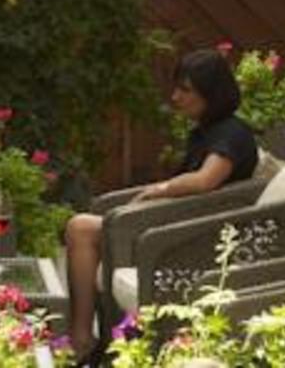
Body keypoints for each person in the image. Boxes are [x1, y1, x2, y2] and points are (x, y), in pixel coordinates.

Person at [62, 48, 260, 356]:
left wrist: (161, 189)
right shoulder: (208, 132)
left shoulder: (232, 134)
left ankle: (82, 342)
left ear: (212, 94)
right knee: (86, 228)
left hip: (197, 239)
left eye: (185, 90)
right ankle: (90, 341)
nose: (175, 97)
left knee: (81, 229)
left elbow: (206, 179)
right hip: (178, 227)